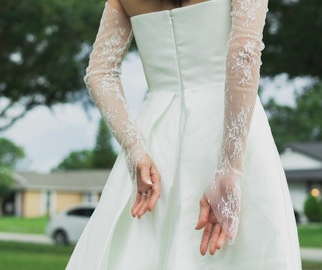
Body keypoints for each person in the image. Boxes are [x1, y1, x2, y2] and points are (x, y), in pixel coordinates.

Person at [66, 0, 302, 269]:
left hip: (156, 141)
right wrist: (230, 167)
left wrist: (135, 149)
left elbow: (100, 73)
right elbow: (244, 54)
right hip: (229, 130)